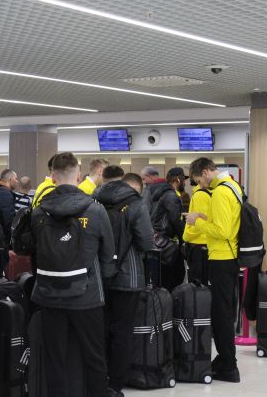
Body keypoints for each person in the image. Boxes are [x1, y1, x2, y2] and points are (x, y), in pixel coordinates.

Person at [31, 152, 116, 397]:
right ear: (78, 176)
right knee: (94, 357)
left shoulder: (39, 211)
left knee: (54, 358)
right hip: (86, 295)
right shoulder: (95, 210)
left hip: (48, 294)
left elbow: (31, 249)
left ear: (52, 177)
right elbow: (108, 255)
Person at [94, 168, 153, 397]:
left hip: (98, 276)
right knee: (122, 332)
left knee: (101, 329)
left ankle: (100, 377)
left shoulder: (93, 202)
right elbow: (147, 242)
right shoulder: (136, 204)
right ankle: (116, 384)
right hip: (129, 278)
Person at [185, 157, 241, 383]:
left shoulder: (219, 192)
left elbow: (222, 231)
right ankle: (226, 360)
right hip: (230, 257)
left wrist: (195, 221)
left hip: (221, 257)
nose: (200, 184)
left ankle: (228, 366)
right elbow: (225, 222)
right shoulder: (233, 186)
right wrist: (203, 217)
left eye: (200, 179)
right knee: (224, 311)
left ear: (207, 171)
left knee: (221, 315)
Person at [143, 166, 185, 291]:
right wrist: (185, 240)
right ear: (178, 179)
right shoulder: (171, 196)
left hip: (156, 243)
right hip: (167, 244)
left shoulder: (155, 193)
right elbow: (177, 221)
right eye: (184, 179)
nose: (185, 182)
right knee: (175, 279)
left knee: (159, 282)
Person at [182, 180, 212, 285]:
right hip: (205, 244)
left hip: (198, 245)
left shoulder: (200, 195)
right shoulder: (208, 193)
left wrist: (186, 236)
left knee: (197, 284)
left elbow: (198, 222)